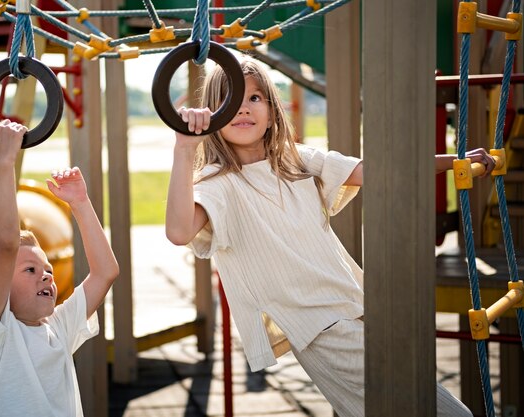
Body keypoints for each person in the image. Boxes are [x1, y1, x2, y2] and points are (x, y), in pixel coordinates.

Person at [165, 58, 480, 417]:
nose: (242, 108)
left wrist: (454, 161)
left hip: (354, 309)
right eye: (228, 100)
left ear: (272, 109)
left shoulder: (295, 161)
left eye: (254, 98)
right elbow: (178, 231)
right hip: (317, 328)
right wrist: (184, 149)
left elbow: (379, 171)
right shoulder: (218, 184)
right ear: (214, 115)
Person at [0, 119, 119, 417]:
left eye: (46, 268)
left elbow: (104, 273)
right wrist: (5, 163)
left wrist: (81, 204)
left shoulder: (57, 327)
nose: (47, 274)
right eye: (30, 270)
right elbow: (5, 245)